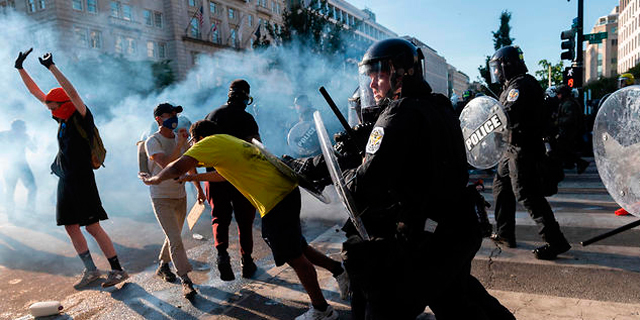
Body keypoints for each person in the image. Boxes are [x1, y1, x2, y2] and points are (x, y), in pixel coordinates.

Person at [341, 38, 514, 319]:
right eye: (369, 75)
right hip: (454, 227)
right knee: (458, 300)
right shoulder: (438, 105)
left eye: (380, 74)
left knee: (387, 307)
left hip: (428, 238)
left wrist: (348, 169)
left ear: (402, 73)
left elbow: (365, 186)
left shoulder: (398, 113)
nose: (372, 83)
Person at [140, 120, 349, 320]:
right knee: (297, 247)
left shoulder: (208, 143)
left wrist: (155, 179)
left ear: (201, 138)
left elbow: (177, 167)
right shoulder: (227, 141)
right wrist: (192, 178)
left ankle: (322, 310)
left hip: (274, 199)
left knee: (294, 257)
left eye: (194, 143)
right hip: (285, 192)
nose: (194, 148)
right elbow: (222, 176)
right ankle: (339, 270)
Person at [15, 48, 128, 288]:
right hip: (65, 179)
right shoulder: (62, 119)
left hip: (82, 179)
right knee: (70, 226)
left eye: (53, 106)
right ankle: (92, 270)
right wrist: (20, 69)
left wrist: (52, 67)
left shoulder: (81, 117)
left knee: (92, 227)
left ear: (64, 104)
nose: (50, 110)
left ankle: (117, 270)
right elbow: (38, 94)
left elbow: (72, 93)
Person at [488, 45, 571, 260]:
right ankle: (505, 233)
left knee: (527, 194)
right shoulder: (511, 85)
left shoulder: (522, 85)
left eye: (497, 68)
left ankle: (555, 241)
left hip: (522, 148)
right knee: (501, 187)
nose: (496, 72)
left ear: (507, 65)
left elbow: (507, 114)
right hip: (510, 149)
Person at [144, 103, 205, 299]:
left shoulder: (181, 138)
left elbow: (190, 164)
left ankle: (163, 265)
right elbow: (166, 166)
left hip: (180, 195)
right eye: (168, 114)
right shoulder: (152, 142)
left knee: (175, 235)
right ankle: (186, 280)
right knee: (176, 239)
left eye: (175, 114)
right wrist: (179, 144)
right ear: (158, 119)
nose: (173, 117)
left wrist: (198, 189)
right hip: (161, 197)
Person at [204, 79, 259, 281]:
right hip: (241, 178)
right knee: (245, 221)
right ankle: (247, 262)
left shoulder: (212, 115)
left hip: (214, 176)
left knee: (219, 217)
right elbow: (256, 148)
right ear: (246, 97)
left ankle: (222, 254)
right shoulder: (246, 118)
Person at [0, 119, 37, 220]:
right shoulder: (3, 135)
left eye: (24, 128)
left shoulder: (25, 137)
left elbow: (34, 149)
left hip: (22, 166)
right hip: (9, 166)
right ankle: (11, 214)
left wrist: (34, 141)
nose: (23, 130)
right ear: (14, 128)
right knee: (10, 190)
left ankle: (29, 211)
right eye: (22, 128)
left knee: (32, 188)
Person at [555, 84, 589, 174]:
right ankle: (570, 163)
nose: (558, 96)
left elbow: (570, 118)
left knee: (562, 148)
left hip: (569, 131)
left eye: (559, 94)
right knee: (566, 149)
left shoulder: (569, 104)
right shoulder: (568, 102)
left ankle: (580, 163)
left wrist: (557, 121)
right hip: (569, 131)